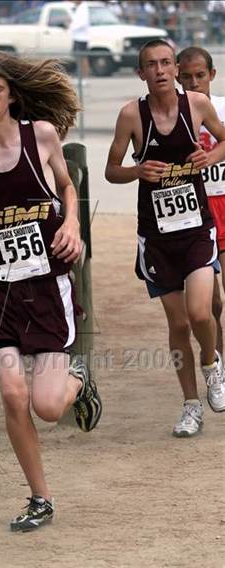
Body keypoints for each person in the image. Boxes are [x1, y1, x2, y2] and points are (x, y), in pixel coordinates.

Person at [0, 50, 102, 532]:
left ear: (12, 93)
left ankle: (78, 380)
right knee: (13, 395)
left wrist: (72, 221)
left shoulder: (41, 136)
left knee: (48, 407)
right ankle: (40, 497)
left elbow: (67, 185)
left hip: (48, 288)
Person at [105, 40, 225, 437]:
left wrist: (211, 157)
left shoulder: (197, 106)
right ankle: (191, 404)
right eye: (150, 65)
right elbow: (111, 169)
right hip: (155, 234)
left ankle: (213, 365)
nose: (159, 70)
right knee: (177, 324)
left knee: (201, 312)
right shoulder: (131, 115)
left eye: (165, 63)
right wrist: (138, 172)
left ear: (175, 67)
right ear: (141, 73)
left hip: (196, 227)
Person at [177, 46, 225, 356]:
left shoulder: (221, 107)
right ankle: (218, 362)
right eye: (187, 77)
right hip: (193, 211)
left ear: (212, 75)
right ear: (177, 78)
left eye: (200, 75)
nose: (194, 83)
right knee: (212, 303)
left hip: (224, 201)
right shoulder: (171, 113)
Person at [70, 0, 90, 79]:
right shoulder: (79, 8)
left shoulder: (84, 8)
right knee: (78, 58)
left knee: (83, 58)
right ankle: (81, 78)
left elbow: (82, 23)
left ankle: (84, 78)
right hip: (77, 37)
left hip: (82, 38)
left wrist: (72, 27)